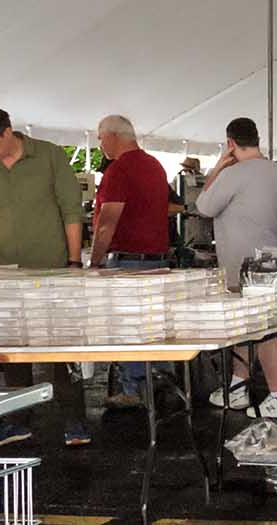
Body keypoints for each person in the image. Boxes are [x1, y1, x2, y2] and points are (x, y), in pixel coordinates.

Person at [0, 105, 90, 446]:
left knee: (62, 348)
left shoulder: (49, 156)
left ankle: (75, 420)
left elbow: (71, 211)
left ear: (8, 132)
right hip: (3, 274)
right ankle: (17, 419)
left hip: (53, 270)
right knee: (11, 351)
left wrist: (74, 263)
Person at [195, 117, 277, 418]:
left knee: (264, 333)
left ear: (230, 143)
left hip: (246, 268)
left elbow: (203, 207)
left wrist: (218, 166)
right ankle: (237, 386)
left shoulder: (233, 173)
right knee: (248, 329)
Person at [90, 115, 171, 408]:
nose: (100, 144)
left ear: (114, 136)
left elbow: (107, 222)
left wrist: (94, 261)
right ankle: (161, 378)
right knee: (152, 323)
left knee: (128, 325)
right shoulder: (154, 165)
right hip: (157, 257)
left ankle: (133, 388)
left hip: (129, 260)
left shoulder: (119, 169)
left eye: (101, 138)